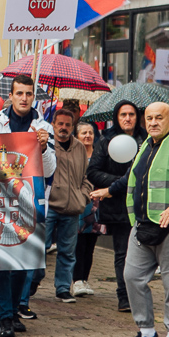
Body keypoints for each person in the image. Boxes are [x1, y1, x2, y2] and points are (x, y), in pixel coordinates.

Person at [90, 102, 169, 337]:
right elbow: (132, 176)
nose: (153, 122)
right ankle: (147, 333)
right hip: (142, 224)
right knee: (132, 277)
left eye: (158, 118)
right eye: (149, 118)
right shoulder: (144, 146)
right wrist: (109, 190)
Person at [0, 74, 56, 337]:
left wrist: (43, 148)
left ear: (34, 97)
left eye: (28, 94)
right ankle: (5, 317)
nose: (24, 98)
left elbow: (49, 171)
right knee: (2, 261)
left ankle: (13, 310)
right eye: (19, 93)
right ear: (10, 96)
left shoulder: (44, 127)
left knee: (25, 262)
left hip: (28, 201)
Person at [28, 108, 93, 303]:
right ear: (53, 125)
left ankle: (63, 288)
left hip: (72, 208)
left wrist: (82, 196)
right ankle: (32, 282)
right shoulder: (45, 145)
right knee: (40, 249)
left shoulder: (79, 148)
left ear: (73, 127)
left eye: (67, 124)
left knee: (67, 251)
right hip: (48, 207)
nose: (63, 128)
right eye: (60, 124)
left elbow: (86, 177)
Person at [87, 100, 146, 312]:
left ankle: (139, 292)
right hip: (118, 207)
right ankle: (124, 296)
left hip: (143, 206)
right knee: (122, 251)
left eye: (131, 114)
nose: (128, 118)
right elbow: (92, 172)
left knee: (143, 252)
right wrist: (121, 181)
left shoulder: (146, 139)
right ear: (116, 118)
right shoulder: (106, 140)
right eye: (123, 115)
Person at [72, 121, 102, 298]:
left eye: (90, 132)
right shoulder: (74, 154)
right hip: (79, 203)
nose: (87, 136)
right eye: (83, 133)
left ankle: (85, 279)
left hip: (96, 205)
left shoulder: (99, 155)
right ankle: (76, 280)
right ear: (76, 136)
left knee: (90, 245)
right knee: (78, 244)